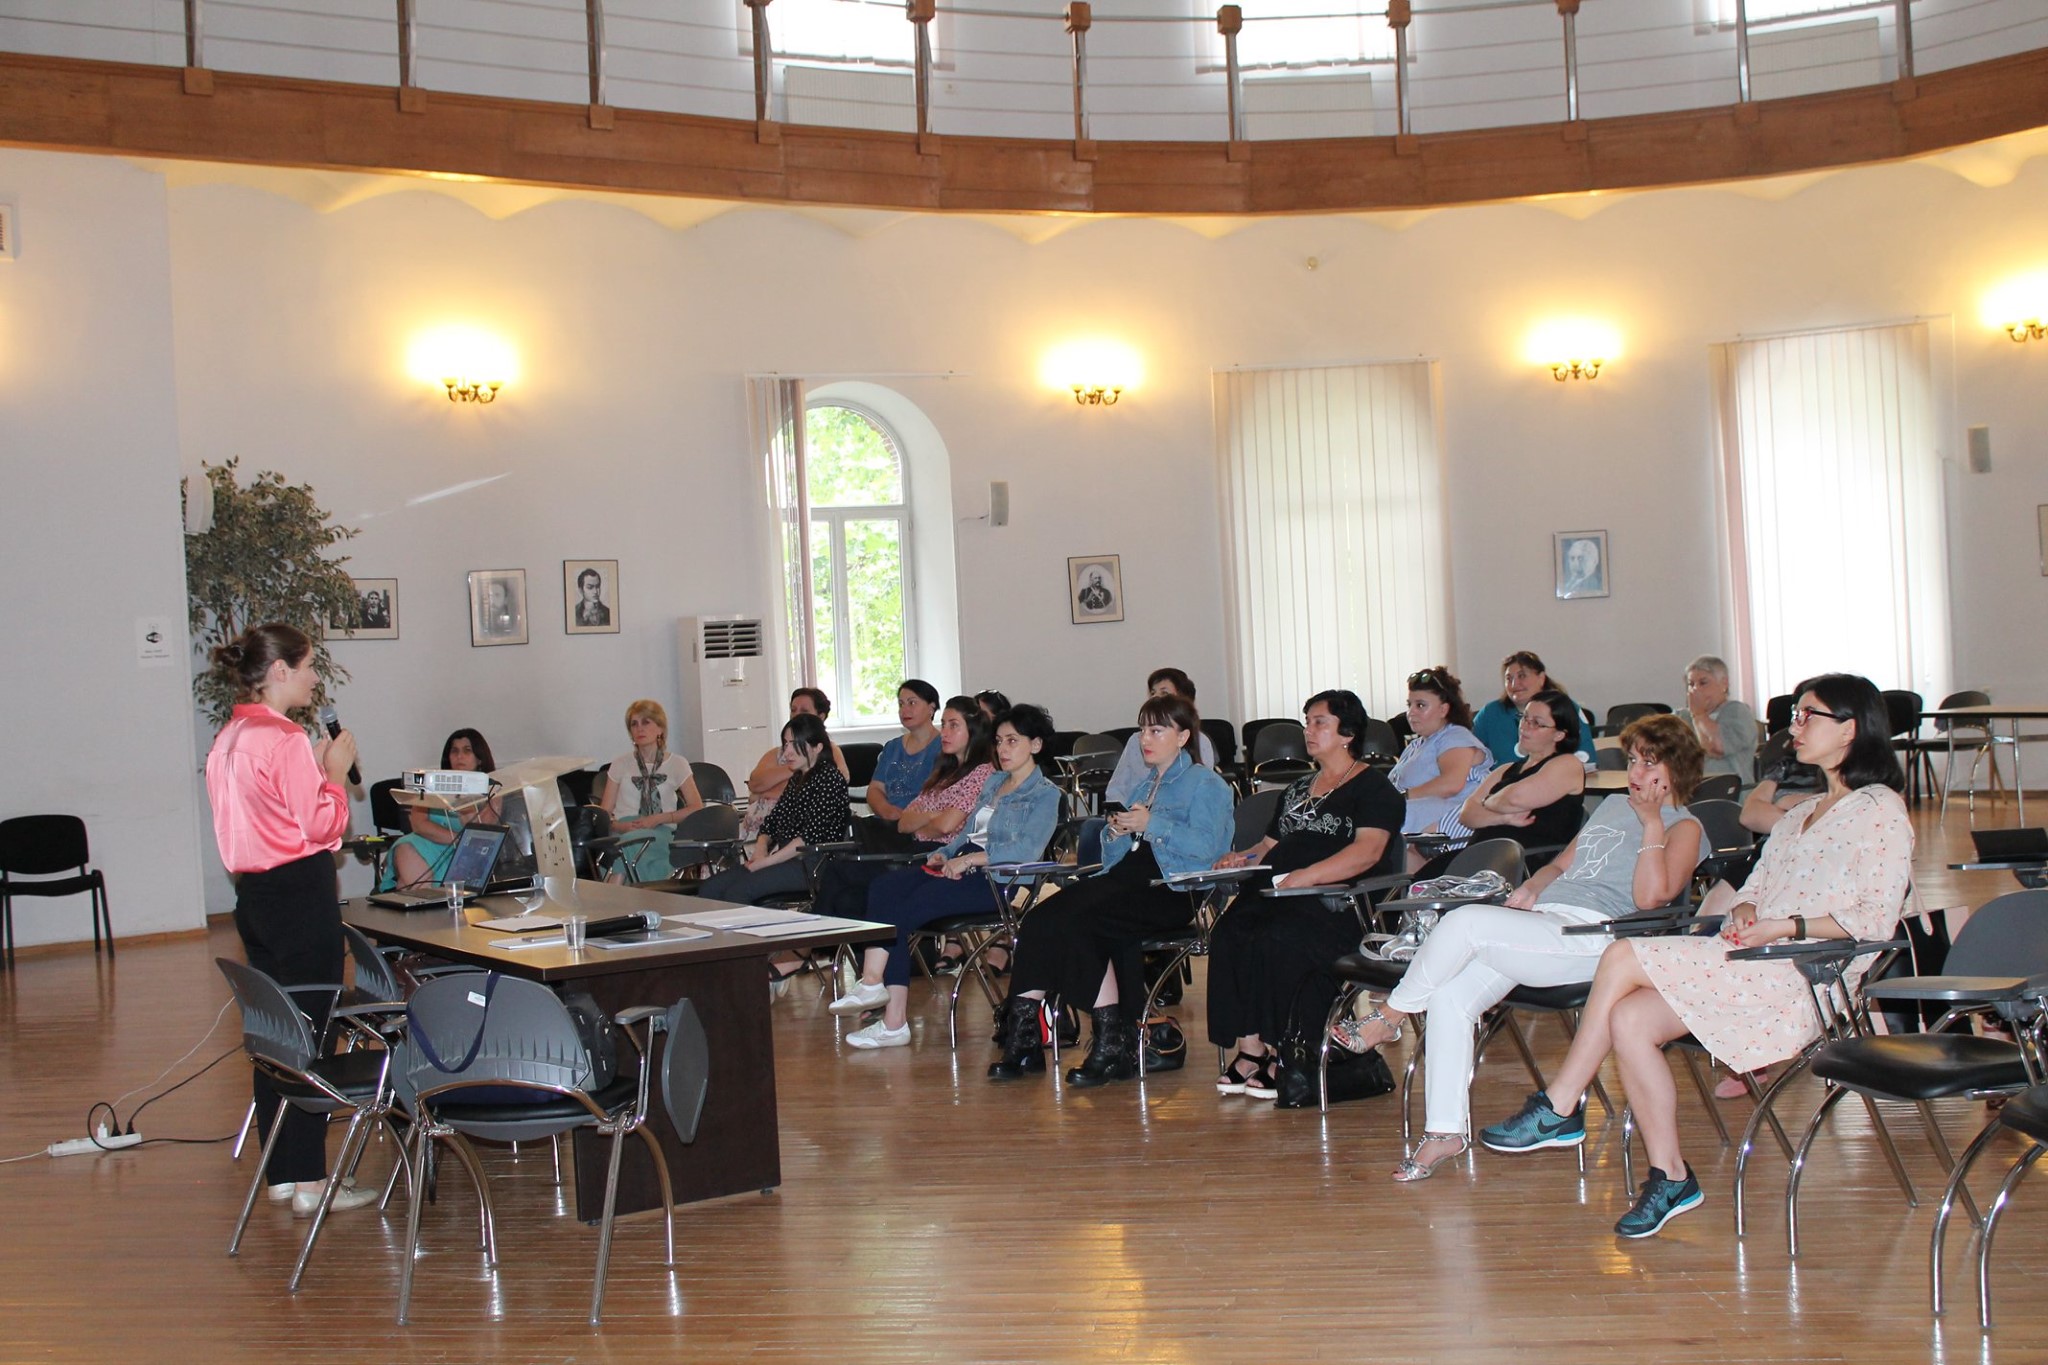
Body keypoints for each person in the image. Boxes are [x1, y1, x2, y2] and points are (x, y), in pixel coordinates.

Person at [1479, 675, 1911, 1238]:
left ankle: (1561, 1103)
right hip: (1751, 958)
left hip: (1807, 973)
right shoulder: (1800, 812)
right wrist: (1747, 912)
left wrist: (1785, 925)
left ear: (1850, 729)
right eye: (1796, 716)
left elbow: (1875, 918)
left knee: (1623, 955)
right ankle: (1672, 1176)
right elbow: (1754, 888)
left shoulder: (1879, 809)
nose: (1794, 728)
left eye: (1809, 716)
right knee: (1629, 1020)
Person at [1332, 714, 1706, 1183]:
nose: (1636, 772)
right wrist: (1532, 888)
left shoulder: (1684, 826)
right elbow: (1561, 866)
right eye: (1632, 760)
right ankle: (1444, 1132)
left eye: (1649, 763)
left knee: (1465, 922)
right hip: (1547, 923)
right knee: (1449, 996)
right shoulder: (1614, 804)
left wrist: (1651, 823)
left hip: (1598, 938)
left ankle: (1389, 1017)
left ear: (1677, 769)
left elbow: (1652, 898)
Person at [203, 623, 378, 1217]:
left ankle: (282, 1172)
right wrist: (334, 773)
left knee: (273, 1032)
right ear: (280, 671)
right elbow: (323, 826)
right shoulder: (284, 738)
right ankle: (310, 1182)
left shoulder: (230, 736)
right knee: (311, 1034)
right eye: (307, 667)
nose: (314, 677)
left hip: (255, 896)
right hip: (300, 896)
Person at [990, 693, 1233, 1086]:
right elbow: (1117, 857)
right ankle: (1024, 1039)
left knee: (1081, 923)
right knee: (1038, 919)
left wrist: (1152, 825)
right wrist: (1115, 833)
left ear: (1183, 736)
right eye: (1143, 730)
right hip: (1127, 881)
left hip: (1172, 888)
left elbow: (1207, 850)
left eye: (1156, 730)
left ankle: (1109, 1043)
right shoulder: (1144, 785)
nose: (1145, 739)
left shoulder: (1207, 784)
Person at [1205, 690, 1404, 1100]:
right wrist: (1239, 859)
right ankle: (1251, 1048)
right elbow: (1268, 848)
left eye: (1319, 722)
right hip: (1281, 891)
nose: (1308, 731)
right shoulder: (1297, 788)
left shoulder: (1374, 788)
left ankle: (1291, 1050)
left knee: (1280, 940)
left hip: (1337, 901)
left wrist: (1306, 877)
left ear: (1347, 733)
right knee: (1229, 933)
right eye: (1307, 722)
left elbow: (1367, 852)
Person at [831, 705, 1064, 1050]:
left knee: (906, 907)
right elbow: (968, 831)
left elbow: (1026, 850)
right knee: (885, 887)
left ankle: (889, 1016)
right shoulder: (994, 782)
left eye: (1012, 741)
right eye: (999, 741)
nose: (1002, 749)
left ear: (1036, 745)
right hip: (964, 865)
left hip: (997, 880)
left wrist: (970, 859)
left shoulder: (1045, 794)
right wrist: (946, 852)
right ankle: (873, 986)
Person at [811, 696, 996, 930]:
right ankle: (872, 951)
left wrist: (929, 819)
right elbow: (904, 823)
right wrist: (933, 816)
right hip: (912, 849)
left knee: (839, 870)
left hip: (938, 856)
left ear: (974, 731)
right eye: (943, 724)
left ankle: (810, 943)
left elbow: (947, 826)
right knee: (848, 900)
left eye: (953, 725)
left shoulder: (982, 773)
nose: (944, 732)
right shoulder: (943, 773)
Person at [696, 712, 851, 908]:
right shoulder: (797, 779)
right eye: (786, 744)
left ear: (817, 747)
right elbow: (771, 823)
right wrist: (760, 850)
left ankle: (751, 929)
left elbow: (809, 837)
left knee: (738, 892)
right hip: (786, 859)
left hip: (814, 864)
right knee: (710, 889)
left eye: (795, 744)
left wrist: (766, 863)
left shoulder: (830, 779)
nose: (787, 753)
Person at [1455, 690, 1588, 856]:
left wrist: (1485, 802)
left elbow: (1514, 799)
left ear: (1559, 734)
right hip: (1480, 854)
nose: (1524, 727)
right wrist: (1503, 818)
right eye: (1524, 717)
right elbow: (1466, 814)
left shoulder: (1567, 764)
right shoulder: (1505, 769)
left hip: (1523, 860)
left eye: (1537, 723)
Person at [1388, 667, 1492, 870]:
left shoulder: (1455, 736)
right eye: (1409, 705)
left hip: (1453, 822)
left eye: (1420, 705)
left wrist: (1399, 798)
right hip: (1419, 821)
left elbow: (1451, 784)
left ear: (1444, 710)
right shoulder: (1416, 745)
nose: (1411, 712)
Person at [598, 699, 704, 882]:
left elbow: (696, 807)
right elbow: (604, 812)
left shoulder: (677, 764)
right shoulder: (620, 764)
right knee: (626, 842)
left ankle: (613, 893)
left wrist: (659, 818)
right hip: (624, 829)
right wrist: (619, 826)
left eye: (646, 722)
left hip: (660, 830)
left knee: (628, 846)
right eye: (634, 724)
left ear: (660, 729)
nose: (639, 729)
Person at [379, 728, 498, 891]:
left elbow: (480, 832)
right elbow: (418, 824)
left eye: (467, 750)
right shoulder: (434, 782)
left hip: (466, 853)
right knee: (405, 848)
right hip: (425, 843)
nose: (459, 756)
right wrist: (458, 840)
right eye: (454, 751)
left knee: (406, 887)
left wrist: (466, 794)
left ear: (480, 758)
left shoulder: (494, 789)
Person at [739, 688, 850, 842]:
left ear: (820, 716)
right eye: (793, 710)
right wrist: (797, 768)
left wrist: (765, 793)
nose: (797, 714)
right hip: (762, 831)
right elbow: (755, 783)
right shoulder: (779, 752)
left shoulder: (828, 751)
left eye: (804, 710)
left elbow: (831, 786)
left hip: (796, 839)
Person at [1104, 668, 1217, 806]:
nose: (1156, 698)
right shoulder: (1136, 742)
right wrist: (1118, 812)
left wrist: (1148, 817)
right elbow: (1117, 787)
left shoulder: (1200, 745)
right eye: (1153, 693)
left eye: (1164, 693)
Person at [1470, 652, 1596, 767]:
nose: (1514, 684)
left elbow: (1586, 760)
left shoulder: (1565, 709)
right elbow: (1466, 752)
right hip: (1500, 782)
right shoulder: (1490, 713)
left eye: (1522, 676)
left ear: (1541, 678)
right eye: (1509, 678)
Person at [865, 680, 944, 829]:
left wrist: (908, 819)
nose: (904, 710)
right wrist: (886, 811)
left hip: (922, 826)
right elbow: (875, 789)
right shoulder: (892, 747)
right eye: (901, 704)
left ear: (931, 708)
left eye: (912, 703)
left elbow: (941, 798)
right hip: (887, 824)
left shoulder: (943, 746)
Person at [1681, 654, 1758, 781]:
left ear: (1724, 683)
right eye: (1691, 684)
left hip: (1732, 789)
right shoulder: (1682, 716)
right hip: (1691, 788)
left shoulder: (1737, 711)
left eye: (1703, 683)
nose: (1695, 689)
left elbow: (1717, 748)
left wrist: (1699, 714)